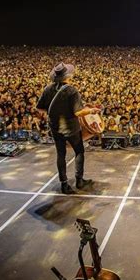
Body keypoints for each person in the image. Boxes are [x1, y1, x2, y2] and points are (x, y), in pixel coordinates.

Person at [36, 63, 100, 194]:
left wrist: (54, 112)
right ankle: (79, 180)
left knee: (61, 154)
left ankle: (64, 184)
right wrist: (91, 111)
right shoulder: (72, 90)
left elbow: (40, 108)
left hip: (55, 127)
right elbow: (78, 113)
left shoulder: (47, 89)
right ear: (68, 75)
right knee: (79, 151)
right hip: (71, 128)